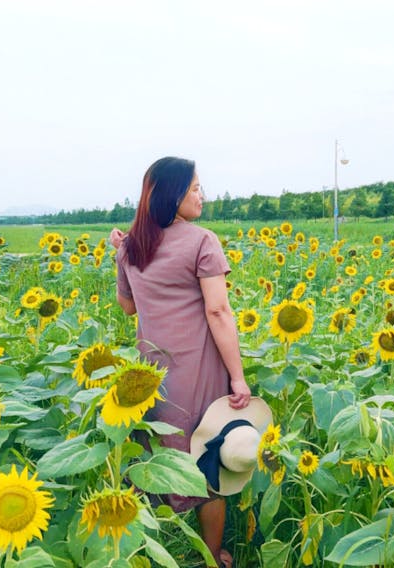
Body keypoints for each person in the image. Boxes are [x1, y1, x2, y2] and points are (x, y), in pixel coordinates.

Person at [111, 156, 251, 568]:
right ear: (173, 195)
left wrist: (120, 254)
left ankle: (146, 553)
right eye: (193, 188)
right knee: (207, 463)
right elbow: (219, 312)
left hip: (149, 376)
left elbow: (128, 308)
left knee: (153, 459)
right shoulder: (203, 241)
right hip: (198, 370)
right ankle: (209, 556)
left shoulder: (131, 247)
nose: (201, 195)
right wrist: (238, 378)